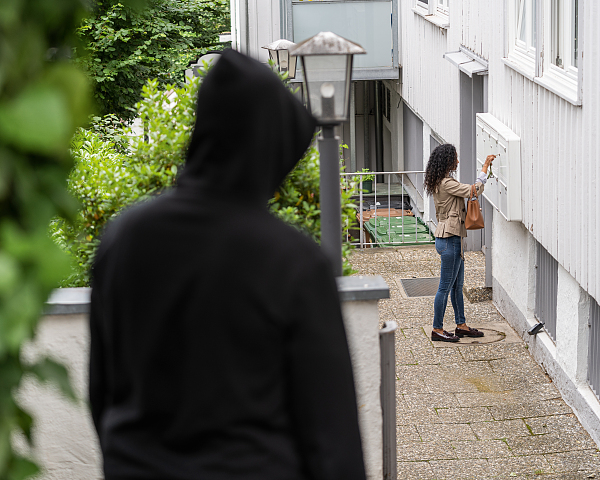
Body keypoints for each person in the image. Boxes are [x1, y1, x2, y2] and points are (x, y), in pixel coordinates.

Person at [89, 49, 366, 480]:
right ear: (265, 149)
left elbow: (102, 390)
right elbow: (332, 434)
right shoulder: (292, 262)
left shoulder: (124, 239)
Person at [424, 144, 495, 342]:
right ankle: (437, 329)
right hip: (450, 240)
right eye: (455, 158)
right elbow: (473, 191)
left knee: (457, 286)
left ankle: (461, 325)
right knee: (445, 288)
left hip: (450, 239)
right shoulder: (446, 183)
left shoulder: (440, 180)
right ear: (447, 161)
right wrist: (485, 169)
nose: (457, 161)